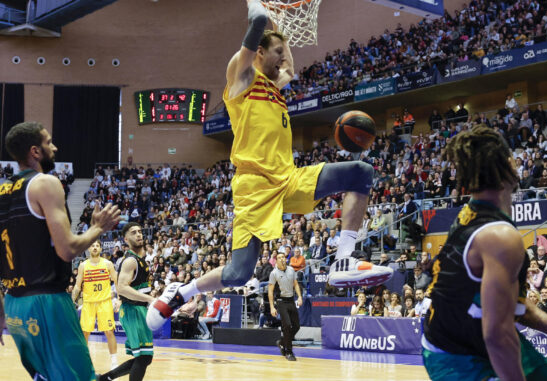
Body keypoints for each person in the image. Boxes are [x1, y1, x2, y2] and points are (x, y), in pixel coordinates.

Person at [147, 0, 392, 330]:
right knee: (238, 273)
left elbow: (289, 68)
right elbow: (257, 26)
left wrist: (284, 33)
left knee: (360, 172)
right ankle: (182, 292)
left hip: (288, 179)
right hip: (254, 187)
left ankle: (344, 257)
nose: (283, 58)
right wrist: (259, 9)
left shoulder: (276, 88)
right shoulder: (241, 82)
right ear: (259, 53)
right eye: (275, 51)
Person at [422, 126, 547, 381]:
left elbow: (511, 306)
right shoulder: (499, 237)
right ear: (509, 167)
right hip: (454, 355)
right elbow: (498, 335)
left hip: (466, 334)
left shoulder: (471, 214)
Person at [0, 121, 120, 380]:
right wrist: (98, 227)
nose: (54, 146)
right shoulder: (46, 183)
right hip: (48, 303)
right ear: (35, 151)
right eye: (48, 142)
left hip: (15, 306)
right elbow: (67, 250)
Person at [99, 223, 155, 381]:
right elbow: (122, 288)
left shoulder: (139, 259)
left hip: (138, 310)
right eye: (133, 233)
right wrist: (150, 299)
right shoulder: (130, 261)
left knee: (144, 358)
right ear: (126, 239)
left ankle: (105, 378)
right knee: (143, 357)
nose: (138, 235)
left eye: (140, 232)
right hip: (132, 310)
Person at [71, 240, 119, 369]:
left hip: (105, 302)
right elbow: (77, 286)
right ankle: (84, 361)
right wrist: (71, 301)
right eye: (93, 246)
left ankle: (114, 362)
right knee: (85, 333)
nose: (95, 247)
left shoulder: (108, 264)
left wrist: (119, 299)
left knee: (109, 331)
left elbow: (117, 281)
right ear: (88, 249)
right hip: (88, 303)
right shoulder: (83, 266)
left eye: (97, 246)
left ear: (101, 249)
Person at [268, 251, 302, 361]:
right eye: (279, 257)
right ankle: (288, 351)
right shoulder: (274, 273)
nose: (282, 259)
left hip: (291, 300)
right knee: (287, 325)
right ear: (276, 261)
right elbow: (270, 291)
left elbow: (295, 284)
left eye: (283, 257)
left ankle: (282, 342)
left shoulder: (291, 269)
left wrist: (300, 297)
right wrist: (272, 307)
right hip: (281, 301)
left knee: (296, 326)